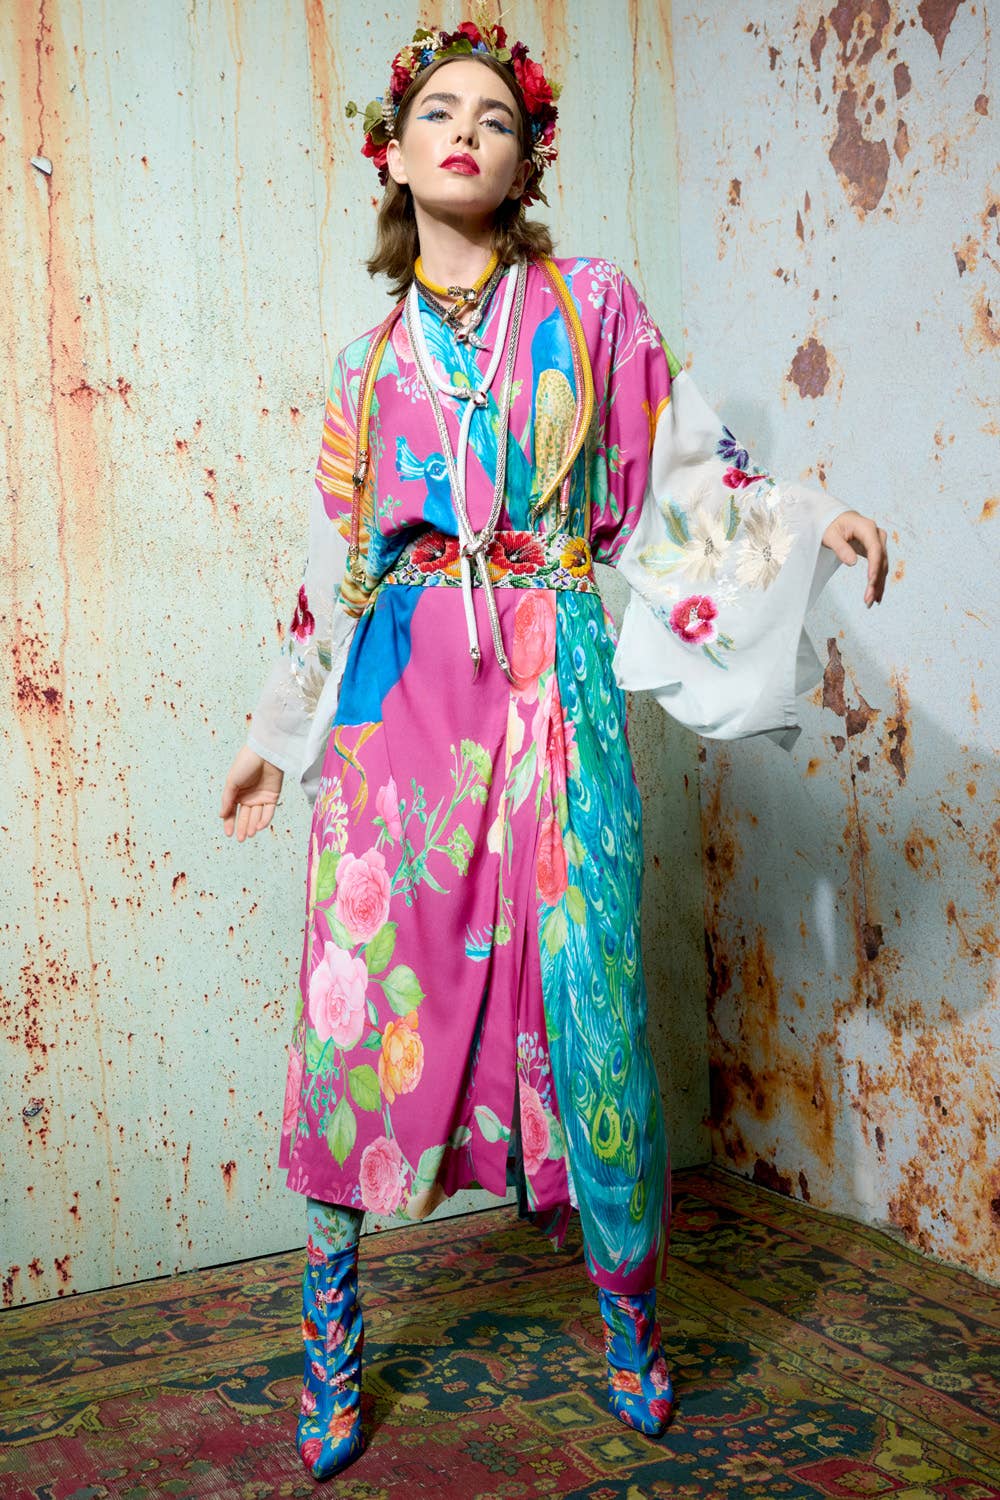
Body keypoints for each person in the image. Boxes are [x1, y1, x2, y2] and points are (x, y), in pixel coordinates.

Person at [220, 14, 888, 1482]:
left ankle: (631, 1330)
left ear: (527, 161)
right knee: (355, 1014)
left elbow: (681, 475)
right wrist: (280, 738)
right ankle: (329, 1349)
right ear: (392, 153)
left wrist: (800, 523)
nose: (466, 129)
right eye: (437, 112)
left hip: (550, 681)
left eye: (498, 118)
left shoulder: (591, 309)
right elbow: (336, 578)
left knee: (593, 996)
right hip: (399, 714)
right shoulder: (362, 367)